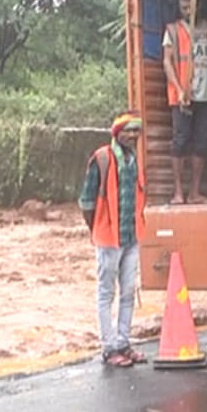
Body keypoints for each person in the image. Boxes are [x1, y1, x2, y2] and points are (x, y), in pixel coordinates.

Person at [79, 113, 148, 368]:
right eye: (128, 131)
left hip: (131, 236)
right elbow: (86, 201)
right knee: (106, 292)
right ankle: (109, 348)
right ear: (117, 133)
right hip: (109, 238)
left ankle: (123, 342)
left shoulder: (134, 160)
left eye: (136, 132)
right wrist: (96, 230)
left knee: (128, 292)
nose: (133, 136)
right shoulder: (102, 158)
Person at [162, 0, 207, 205]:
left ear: (199, 5)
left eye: (191, 6)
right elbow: (167, 62)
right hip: (183, 95)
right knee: (180, 142)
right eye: (184, 7)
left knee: (201, 142)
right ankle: (178, 192)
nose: (188, 11)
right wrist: (178, 89)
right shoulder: (173, 30)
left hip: (206, 93)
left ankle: (194, 192)